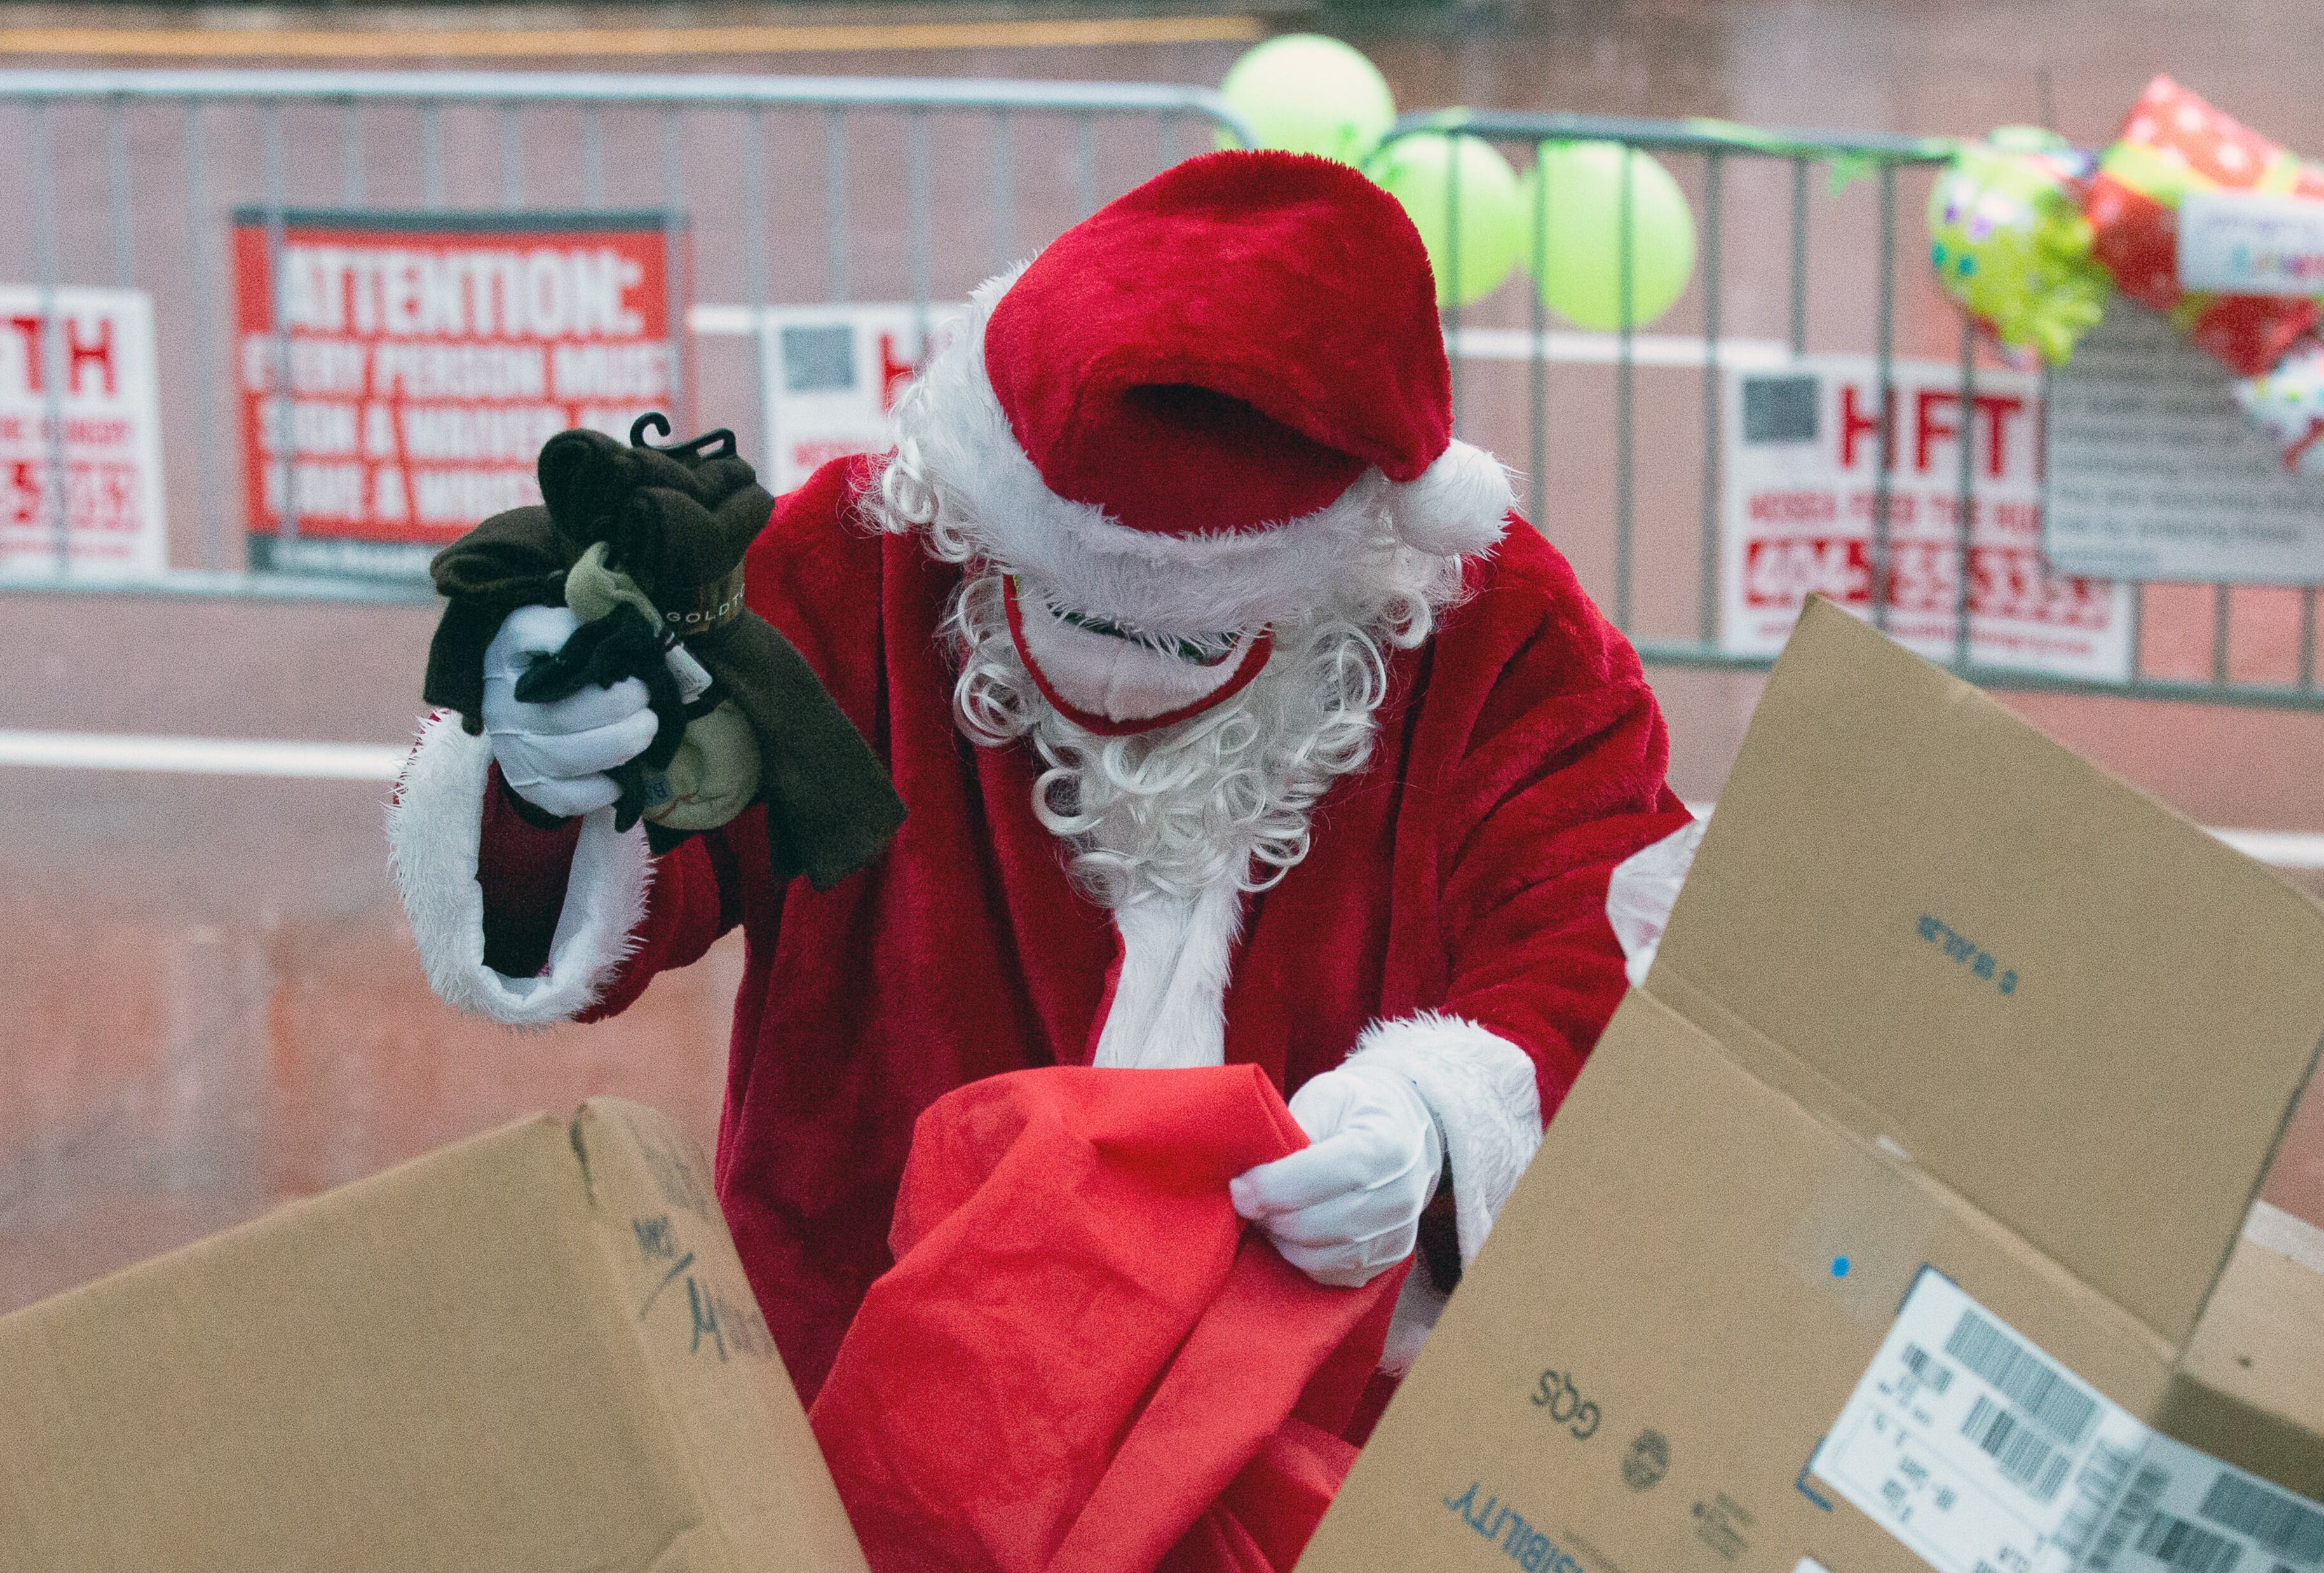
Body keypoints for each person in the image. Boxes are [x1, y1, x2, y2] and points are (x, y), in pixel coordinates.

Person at [388, 148, 1695, 1413]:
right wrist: (550, 779)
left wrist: (1437, 1118)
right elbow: (635, 896)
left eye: (1190, 637)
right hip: (883, 1380)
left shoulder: (1493, 633)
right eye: (1050, 598)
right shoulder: (868, 565)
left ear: (1349, 565)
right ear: (983, 508)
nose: (1107, 673)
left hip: (1293, 1428)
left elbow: (1600, 924)